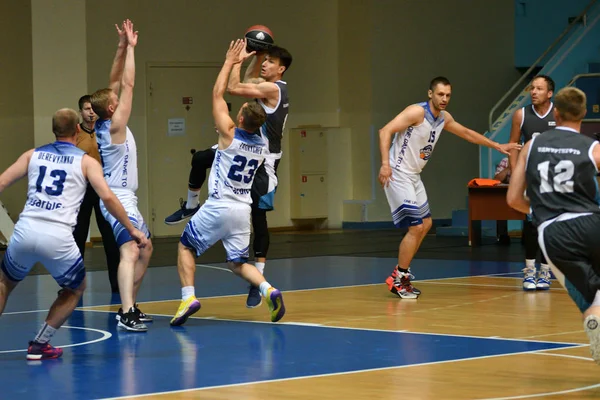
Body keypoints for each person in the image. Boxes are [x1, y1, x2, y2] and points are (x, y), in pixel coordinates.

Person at [0, 108, 148, 360]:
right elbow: (108, 198)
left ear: (53, 129)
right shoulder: (86, 161)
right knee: (75, 288)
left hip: (25, 231)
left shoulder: (32, 155)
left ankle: (40, 343)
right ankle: (40, 344)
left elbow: (2, 182)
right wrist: (132, 229)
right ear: (78, 129)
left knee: (4, 282)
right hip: (57, 237)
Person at [165, 41, 292, 308]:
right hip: (251, 153)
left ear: (281, 70)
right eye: (265, 60)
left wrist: (232, 60)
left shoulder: (273, 88)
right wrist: (254, 57)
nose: (266, 64)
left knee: (259, 216)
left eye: (270, 61)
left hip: (263, 162)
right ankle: (190, 205)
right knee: (201, 158)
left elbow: (229, 90)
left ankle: (259, 280)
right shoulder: (261, 94)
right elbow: (246, 83)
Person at [379, 76, 521, 298]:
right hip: (398, 174)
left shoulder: (444, 118)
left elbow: (466, 134)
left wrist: (496, 144)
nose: (444, 99)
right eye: (440, 94)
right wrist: (385, 164)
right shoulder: (416, 112)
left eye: (448, 95)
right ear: (430, 94)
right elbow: (384, 131)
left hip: (415, 176)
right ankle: (399, 278)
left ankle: (400, 275)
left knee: (426, 224)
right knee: (416, 227)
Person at [506, 86, 600, 363]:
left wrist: (540, 211)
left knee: (589, 294)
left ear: (555, 112)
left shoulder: (532, 145)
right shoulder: (593, 147)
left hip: (552, 232)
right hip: (591, 222)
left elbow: (513, 199)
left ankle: (594, 319)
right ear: (583, 113)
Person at [90, 20, 153, 332]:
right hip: (117, 198)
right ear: (112, 108)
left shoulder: (106, 119)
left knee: (146, 247)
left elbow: (114, 83)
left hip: (127, 197)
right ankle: (126, 311)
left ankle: (130, 305)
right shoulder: (114, 126)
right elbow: (127, 85)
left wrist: (121, 46)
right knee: (130, 248)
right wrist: (132, 50)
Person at [508, 75, 556, 290]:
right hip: (530, 178)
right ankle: (529, 270)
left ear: (549, 93)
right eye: (532, 88)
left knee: (549, 226)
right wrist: (516, 175)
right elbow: (513, 146)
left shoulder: (559, 113)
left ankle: (545, 271)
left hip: (554, 178)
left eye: (539, 88)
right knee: (531, 223)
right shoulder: (521, 114)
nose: (533, 92)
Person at [72, 95, 120, 293]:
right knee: (78, 237)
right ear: (80, 112)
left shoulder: (106, 130)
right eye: (86, 109)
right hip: (82, 190)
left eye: (93, 108)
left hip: (103, 188)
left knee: (110, 237)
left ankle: (117, 284)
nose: (90, 112)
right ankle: (73, 284)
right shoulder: (74, 134)